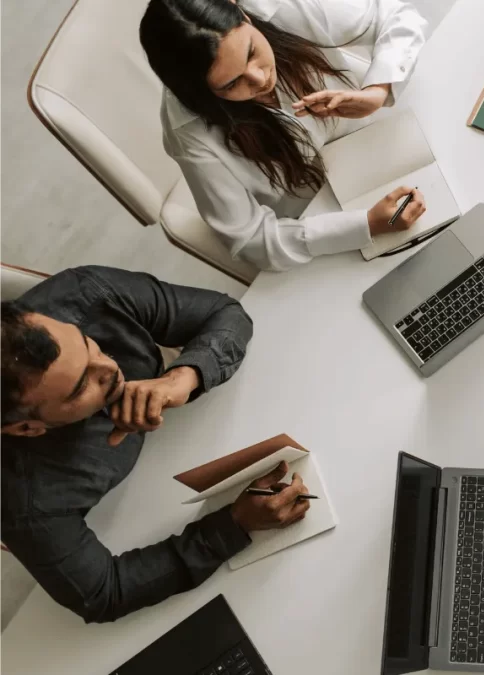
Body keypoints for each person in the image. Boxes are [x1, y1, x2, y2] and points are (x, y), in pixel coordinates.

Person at [1, 266, 310, 623]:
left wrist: (184, 376)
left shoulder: (85, 294)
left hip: (214, 426)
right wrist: (234, 525)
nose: (110, 367)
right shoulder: (21, 501)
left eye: (88, 345)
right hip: (129, 513)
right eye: (80, 387)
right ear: (26, 427)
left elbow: (224, 313)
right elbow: (104, 593)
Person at [140, 0, 429, 271]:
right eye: (231, 83)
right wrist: (366, 225)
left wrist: (378, 91)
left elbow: (395, 14)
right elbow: (251, 237)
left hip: (391, 145)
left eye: (251, 52)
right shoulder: (188, 132)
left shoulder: (278, 6)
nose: (259, 78)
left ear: (242, 13)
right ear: (201, 92)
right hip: (325, 213)